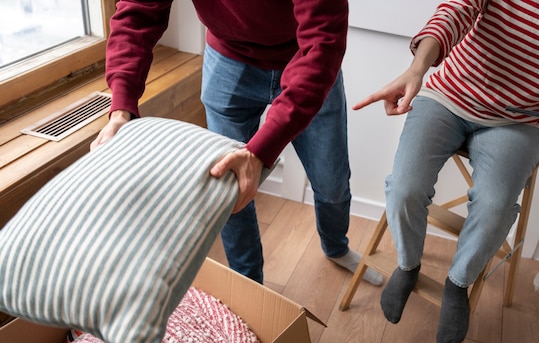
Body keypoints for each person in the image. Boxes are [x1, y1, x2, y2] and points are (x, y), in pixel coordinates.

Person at [354, 0, 539, 343]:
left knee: (495, 206)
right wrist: (417, 68)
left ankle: (458, 283)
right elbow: (457, 9)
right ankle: (407, 266)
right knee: (405, 187)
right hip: (448, 95)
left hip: (520, 118)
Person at [91, 0, 384, 286]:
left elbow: (323, 43)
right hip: (227, 60)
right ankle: (249, 285)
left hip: (305, 59)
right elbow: (137, 12)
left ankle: (335, 247)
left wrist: (259, 152)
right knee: (227, 189)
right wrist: (121, 108)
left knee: (331, 181)